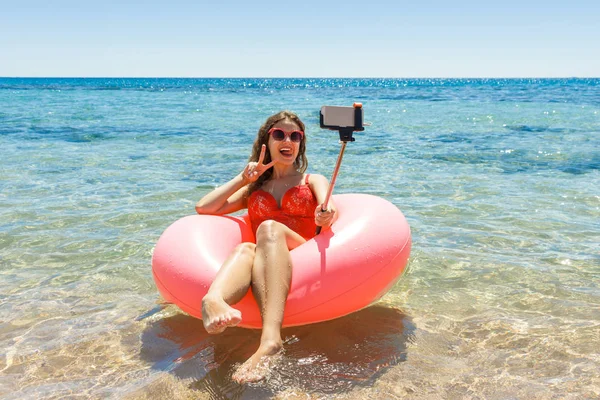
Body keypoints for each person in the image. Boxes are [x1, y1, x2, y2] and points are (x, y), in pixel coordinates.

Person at [194, 111, 337, 383]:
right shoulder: (254, 190)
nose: (288, 140)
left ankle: (271, 340)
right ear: (266, 142)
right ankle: (212, 299)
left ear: (300, 144)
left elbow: (330, 208)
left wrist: (326, 214)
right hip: (264, 258)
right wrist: (244, 178)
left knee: (268, 228)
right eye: (279, 134)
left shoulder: (311, 181)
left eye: (295, 136)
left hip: (301, 252)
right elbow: (205, 207)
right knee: (245, 249)